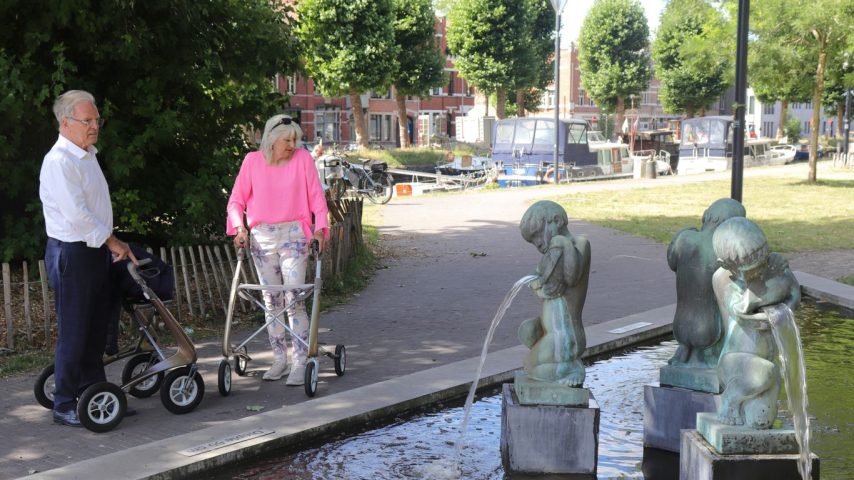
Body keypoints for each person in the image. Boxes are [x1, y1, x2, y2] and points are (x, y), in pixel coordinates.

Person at [40, 90, 137, 427]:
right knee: (75, 331)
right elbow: (78, 216)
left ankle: (96, 395)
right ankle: (65, 403)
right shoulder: (60, 162)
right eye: (88, 120)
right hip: (73, 252)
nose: (95, 126)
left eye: (97, 120)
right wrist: (113, 242)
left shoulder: (87, 155)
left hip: (93, 251)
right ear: (66, 123)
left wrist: (106, 244)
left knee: (96, 329)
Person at [226, 114, 329, 385]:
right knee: (272, 300)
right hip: (262, 238)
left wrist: (320, 229)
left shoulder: (303, 160)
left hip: (294, 234)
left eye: (296, 140)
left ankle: (300, 361)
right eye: (288, 140)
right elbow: (235, 201)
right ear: (271, 139)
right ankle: (280, 358)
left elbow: (317, 198)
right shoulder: (252, 162)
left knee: (294, 296)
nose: (293, 145)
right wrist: (239, 228)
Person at [711, 217, 800, 428]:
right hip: (736, 363)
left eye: (763, 263)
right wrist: (777, 280)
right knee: (766, 372)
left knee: (761, 421)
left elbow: (795, 294)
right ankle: (730, 400)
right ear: (728, 266)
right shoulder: (724, 280)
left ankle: (749, 398)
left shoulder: (771, 268)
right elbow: (744, 311)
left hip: (764, 367)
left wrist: (783, 276)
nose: (760, 271)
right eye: (752, 269)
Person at [518, 200, 591, 386]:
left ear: (557, 221)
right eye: (532, 241)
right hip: (552, 333)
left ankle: (571, 369)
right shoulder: (551, 256)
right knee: (527, 332)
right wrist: (537, 283)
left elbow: (571, 277)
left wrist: (563, 244)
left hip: (566, 336)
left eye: (537, 235)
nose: (537, 243)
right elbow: (534, 276)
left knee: (531, 367)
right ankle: (562, 366)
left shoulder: (579, 244)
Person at [666, 198, 746, 368]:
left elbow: (672, 262)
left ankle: (685, 354)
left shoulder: (684, 238)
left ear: (707, 215)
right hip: (710, 331)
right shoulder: (725, 251)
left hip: (680, 328)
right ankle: (710, 358)